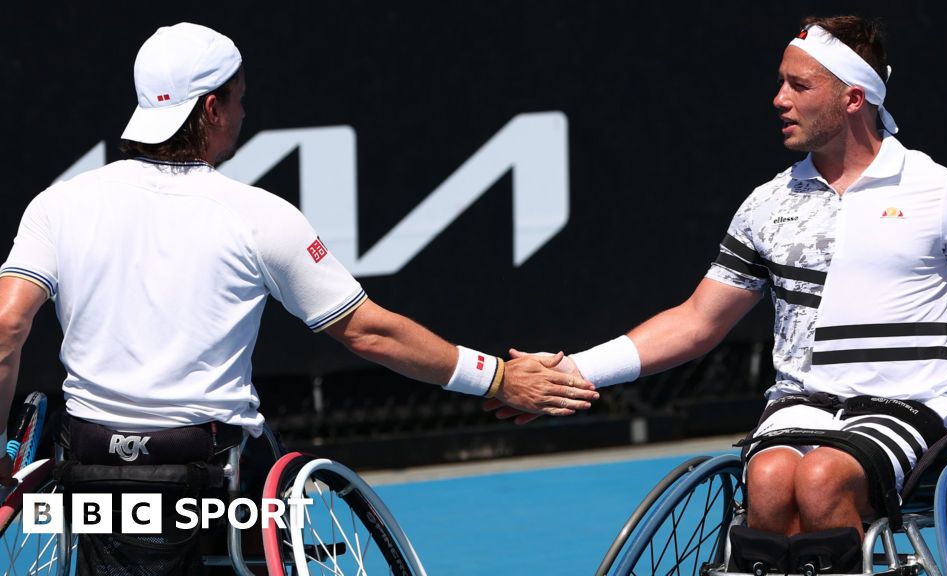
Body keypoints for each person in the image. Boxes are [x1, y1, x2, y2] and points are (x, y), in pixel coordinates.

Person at [0, 22, 598, 574]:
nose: (243, 112)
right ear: (211, 108)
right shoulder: (260, 217)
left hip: (88, 473)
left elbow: (7, 328)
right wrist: (497, 379)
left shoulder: (57, 205)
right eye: (238, 99)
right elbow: (370, 332)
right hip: (216, 482)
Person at [493, 14, 947, 572]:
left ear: (853, 98)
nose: (778, 99)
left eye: (799, 85)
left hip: (917, 405)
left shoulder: (937, 191)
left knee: (822, 477)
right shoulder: (767, 203)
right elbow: (698, 321)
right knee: (768, 480)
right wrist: (573, 371)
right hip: (803, 404)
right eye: (780, 82)